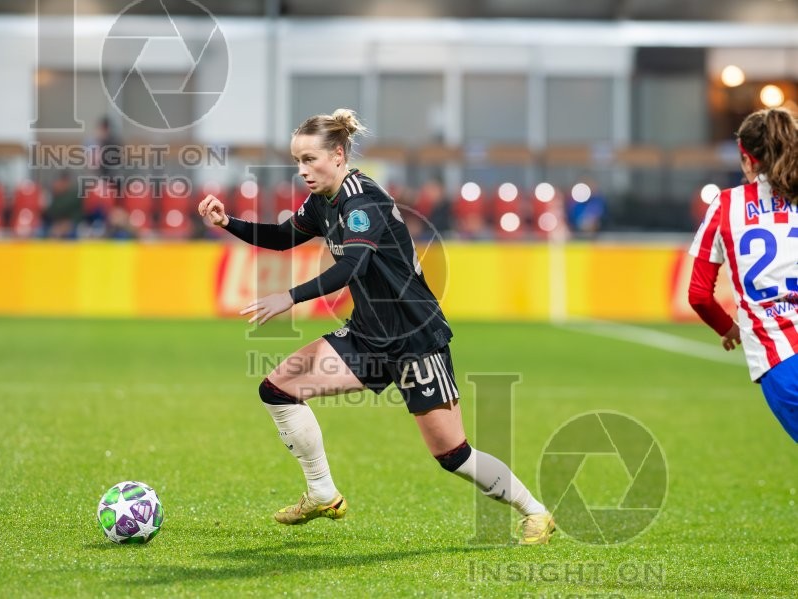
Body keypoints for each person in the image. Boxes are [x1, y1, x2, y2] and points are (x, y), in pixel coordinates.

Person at [197, 108, 556, 544]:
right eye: (297, 161)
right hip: (367, 335)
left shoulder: (360, 200)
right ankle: (322, 491)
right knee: (278, 387)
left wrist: (289, 297)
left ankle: (535, 511)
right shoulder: (322, 201)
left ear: (339, 153)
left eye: (310, 159)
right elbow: (282, 237)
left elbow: (350, 267)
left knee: (452, 454)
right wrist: (226, 222)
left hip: (414, 339)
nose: (302, 171)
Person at [689, 107, 798, 442]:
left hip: (778, 354)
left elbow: (699, 295)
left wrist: (730, 329)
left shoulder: (726, 205)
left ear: (747, 158)